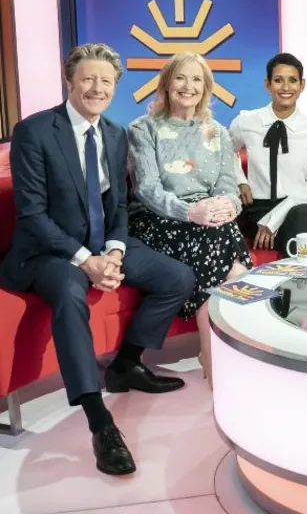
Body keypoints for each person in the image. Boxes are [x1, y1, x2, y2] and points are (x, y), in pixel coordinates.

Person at [0, 43, 195, 476]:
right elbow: (31, 215)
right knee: (70, 291)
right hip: (45, 252)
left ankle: (125, 365)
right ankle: (99, 422)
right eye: (88, 78)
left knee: (178, 277)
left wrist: (114, 250)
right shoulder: (34, 131)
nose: (97, 88)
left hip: (99, 246)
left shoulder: (113, 132)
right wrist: (87, 260)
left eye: (106, 81)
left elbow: (119, 206)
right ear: (69, 81)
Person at [126, 52, 252, 387]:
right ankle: (219, 359)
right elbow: (147, 190)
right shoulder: (143, 129)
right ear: (167, 84)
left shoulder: (217, 131)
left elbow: (229, 186)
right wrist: (190, 211)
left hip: (209, 220)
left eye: (197, 79)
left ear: (206, 88)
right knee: (230, 260)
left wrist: (227, 207)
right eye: (181, 77)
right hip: (159, 219)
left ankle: (219, 355)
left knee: (227, 247)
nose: (188, 86)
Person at [230, 53, 307, 254]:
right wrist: (240, 180)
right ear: (267, 84)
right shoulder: (246, 122)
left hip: (303, 206)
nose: (285, 88)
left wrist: (273, 221)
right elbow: (223, 151)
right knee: (305, 236)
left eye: (292, 81)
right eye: (278, 80)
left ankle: (301, 282)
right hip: (258, 209)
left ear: (302, 85)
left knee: (299, 219)